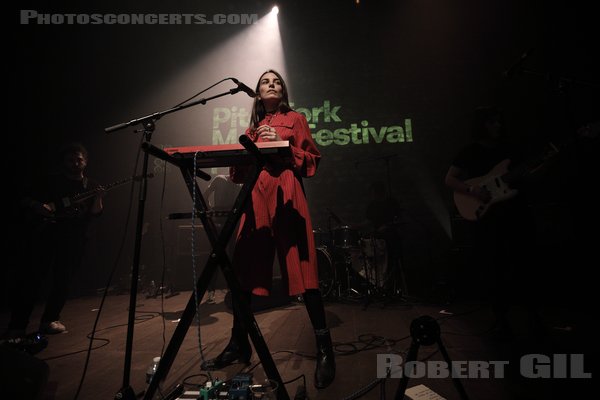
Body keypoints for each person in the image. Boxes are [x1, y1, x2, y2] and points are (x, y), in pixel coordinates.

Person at [200, 69, 335, 389]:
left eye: (276, 81)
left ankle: (324, 347)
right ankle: (238, 344)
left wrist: (285, 146)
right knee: (244, 272)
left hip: (286, 194)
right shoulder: (251, 128)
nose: (271, 84)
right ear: (258, 94)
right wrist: (247, 150)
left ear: (282, 91)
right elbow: (236, 174)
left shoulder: (296, 118)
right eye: (265, 82)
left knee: (305, 272)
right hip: (255, 196)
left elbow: (312, 159)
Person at [444, 106, 539, 339]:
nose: (498, 125)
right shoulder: (470, 151)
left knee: (524, 263)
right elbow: (449, 179)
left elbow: (527, 173)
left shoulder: (511, 149)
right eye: (492, 122)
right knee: (495, 266)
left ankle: (533, 315)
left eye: (499, 121)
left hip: (516, 213)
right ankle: (501, 318)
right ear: (482, 125)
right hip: (490, 218)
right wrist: (474, 190)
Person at [5, 142, 104, 338]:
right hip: (45, 236)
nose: (75, 163)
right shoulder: (49, 181)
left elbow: (95, 213)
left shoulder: (91, 186)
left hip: (74, 240)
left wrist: (99, 197)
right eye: (71, 160)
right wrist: (37, 205)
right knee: (33, 280)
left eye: (79, 159)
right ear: (64, 162)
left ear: (85, 161)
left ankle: (50, 320)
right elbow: (24, 199)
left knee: (63, 282)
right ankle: (17, 325)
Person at [202, 174, 241, 304]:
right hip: (221, 220)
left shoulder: (239, 180)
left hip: (232, 220)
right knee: (216, 254)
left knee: (232, 255)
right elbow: (205, 194)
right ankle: (211, 291)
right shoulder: (220, 179)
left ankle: (232, 290)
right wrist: (210, 210)